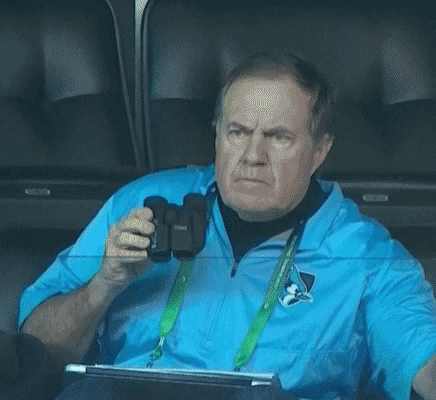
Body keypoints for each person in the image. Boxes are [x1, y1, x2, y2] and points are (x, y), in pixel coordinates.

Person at [18, 53, 436, 400]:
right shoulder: (143, 203)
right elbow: (34, 353)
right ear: (217, 135)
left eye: (278, 137)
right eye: (238, 132)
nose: (253, 155)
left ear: (319, 150)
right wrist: (102, 286)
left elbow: (423, 362)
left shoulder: (367, 255)